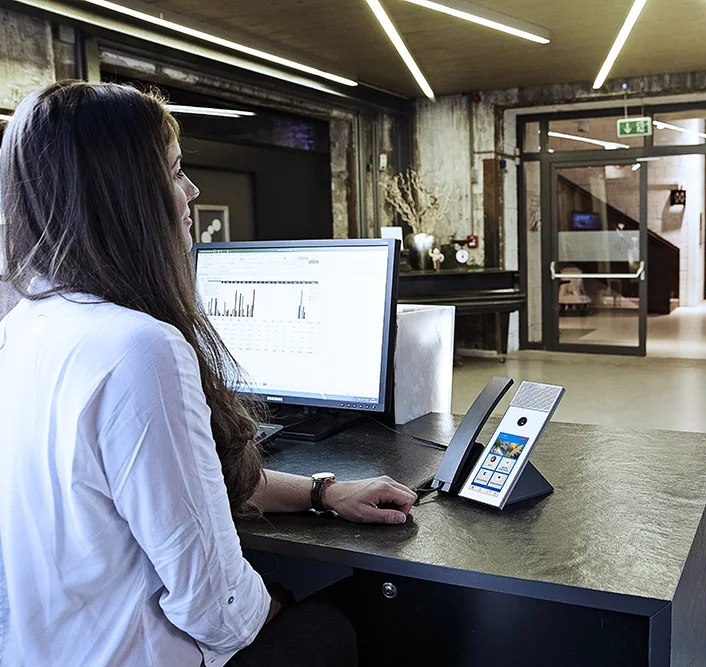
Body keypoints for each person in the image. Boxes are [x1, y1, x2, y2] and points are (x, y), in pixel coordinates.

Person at [0, 80, 418, 667]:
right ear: (126, 197)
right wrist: (276, 605)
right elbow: (217, 607)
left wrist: (322, 492)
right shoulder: (140, 350)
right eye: (175, 171)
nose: (192, 190)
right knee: (362, 616)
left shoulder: (25, 325)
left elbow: (179, 491)